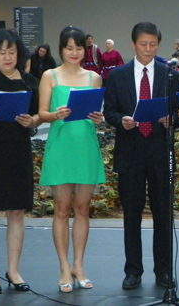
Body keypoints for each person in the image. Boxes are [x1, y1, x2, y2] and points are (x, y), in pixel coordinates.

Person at [103, 22, 179, 290]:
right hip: (131, 152)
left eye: (153, 44)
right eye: (143, 44)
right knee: (131, 215)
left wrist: (172, 120)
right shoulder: (117, 76)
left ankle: (163, 271)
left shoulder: (169, 75)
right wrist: (120, 120)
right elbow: (109, 111)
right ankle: (133, 271)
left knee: (163, 214)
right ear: (134, 44)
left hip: (160, 151)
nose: (148, 49)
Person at [38, 26, 106, 293]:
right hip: (61, 146)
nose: (74, 52)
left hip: (86, 146)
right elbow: (41, 113)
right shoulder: (49, 76)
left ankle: (79, 265)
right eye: (69, 48)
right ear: (61, 49)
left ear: (85, 50)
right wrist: (54, 114)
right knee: (62, 209)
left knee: (82, 208)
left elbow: (96, 112)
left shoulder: (94, 77)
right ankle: (64, 267)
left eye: (78, 48)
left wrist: (99, 119)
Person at [0, 29, 40, 295]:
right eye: (1, 52)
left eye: (11, 52)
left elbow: (37, 115)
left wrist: (33, 121)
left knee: (16, 212)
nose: (7, 57)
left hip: (18, 152)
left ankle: (14, 270)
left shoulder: (29, 81)